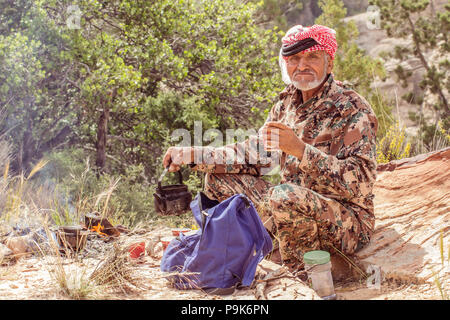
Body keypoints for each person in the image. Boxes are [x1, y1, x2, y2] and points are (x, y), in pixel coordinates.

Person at [162, 24, 378, 271]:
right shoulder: (286, 103)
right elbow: (252, 155)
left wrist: (301, 151)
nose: (302, 65)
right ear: (286, 64)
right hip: (289, 206)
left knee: (284, 195)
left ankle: (298, 274)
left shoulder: (352, 109)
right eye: (294, 58)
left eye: (312, 57)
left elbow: (360, 184)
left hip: (345, 223)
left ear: (329, 64)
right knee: (218, 178)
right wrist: (193, 155)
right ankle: (239, 250)